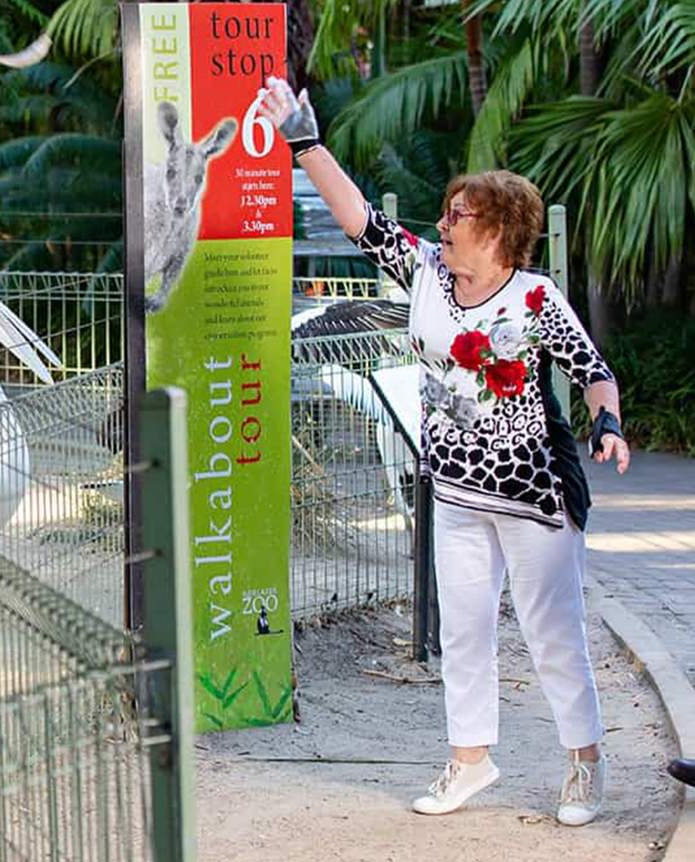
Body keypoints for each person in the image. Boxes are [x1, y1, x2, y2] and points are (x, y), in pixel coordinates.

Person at [257, 77, 630, 825]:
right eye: (447, 213)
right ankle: (469, 760)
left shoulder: (533, 298)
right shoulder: (425, 269)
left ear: (496, 231)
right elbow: (359, 220)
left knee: (550, 632)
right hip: (454, 489)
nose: (443, 221)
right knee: (462, 631)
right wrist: (304, 142)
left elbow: (592, 372)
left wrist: (607, 424)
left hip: (530, 493)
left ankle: (583, 763)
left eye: (458, 215)